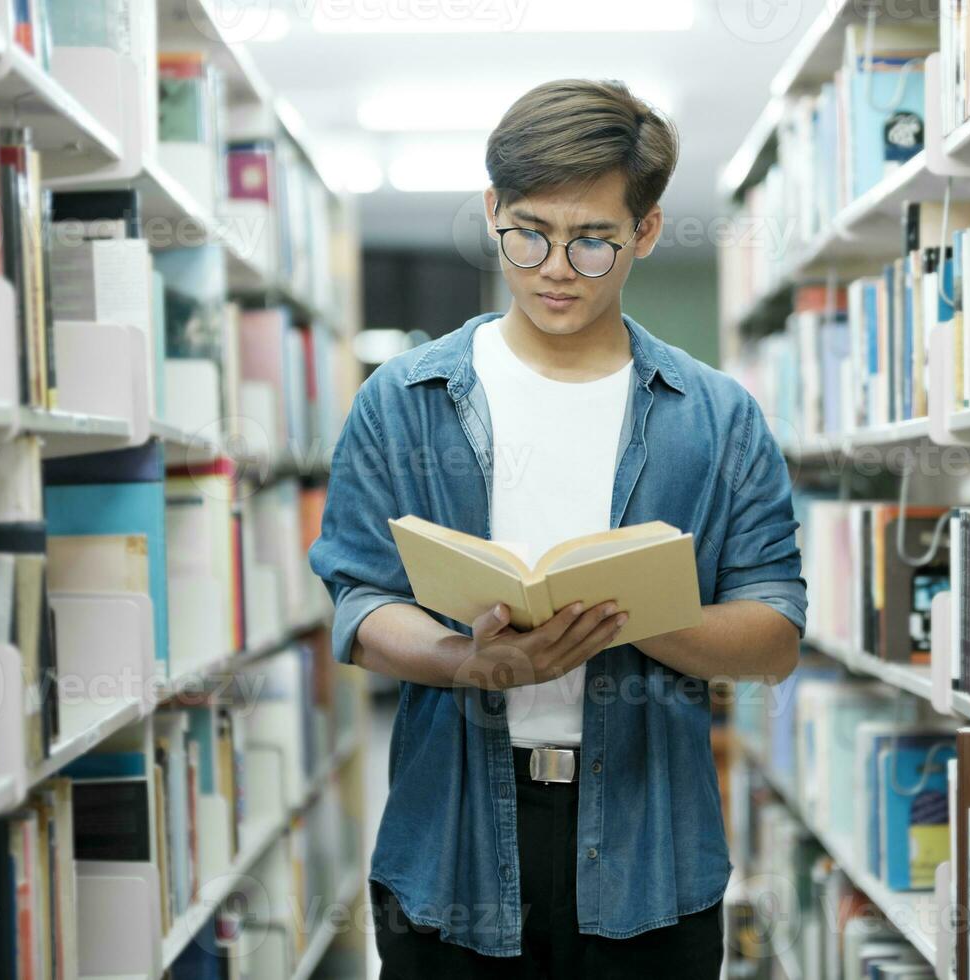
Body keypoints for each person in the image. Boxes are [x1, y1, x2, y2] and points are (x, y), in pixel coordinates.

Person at [309, 77, 806, 979]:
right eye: (528, 232)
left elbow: (773, 634)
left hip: (651, 853)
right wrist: (468, 661)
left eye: (592, 244)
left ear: (645, 233)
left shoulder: (718, 417)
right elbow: (359, 599)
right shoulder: (402, 400)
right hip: (448, 846)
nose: (552, 268)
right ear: (494, 209)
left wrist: (632, 615)